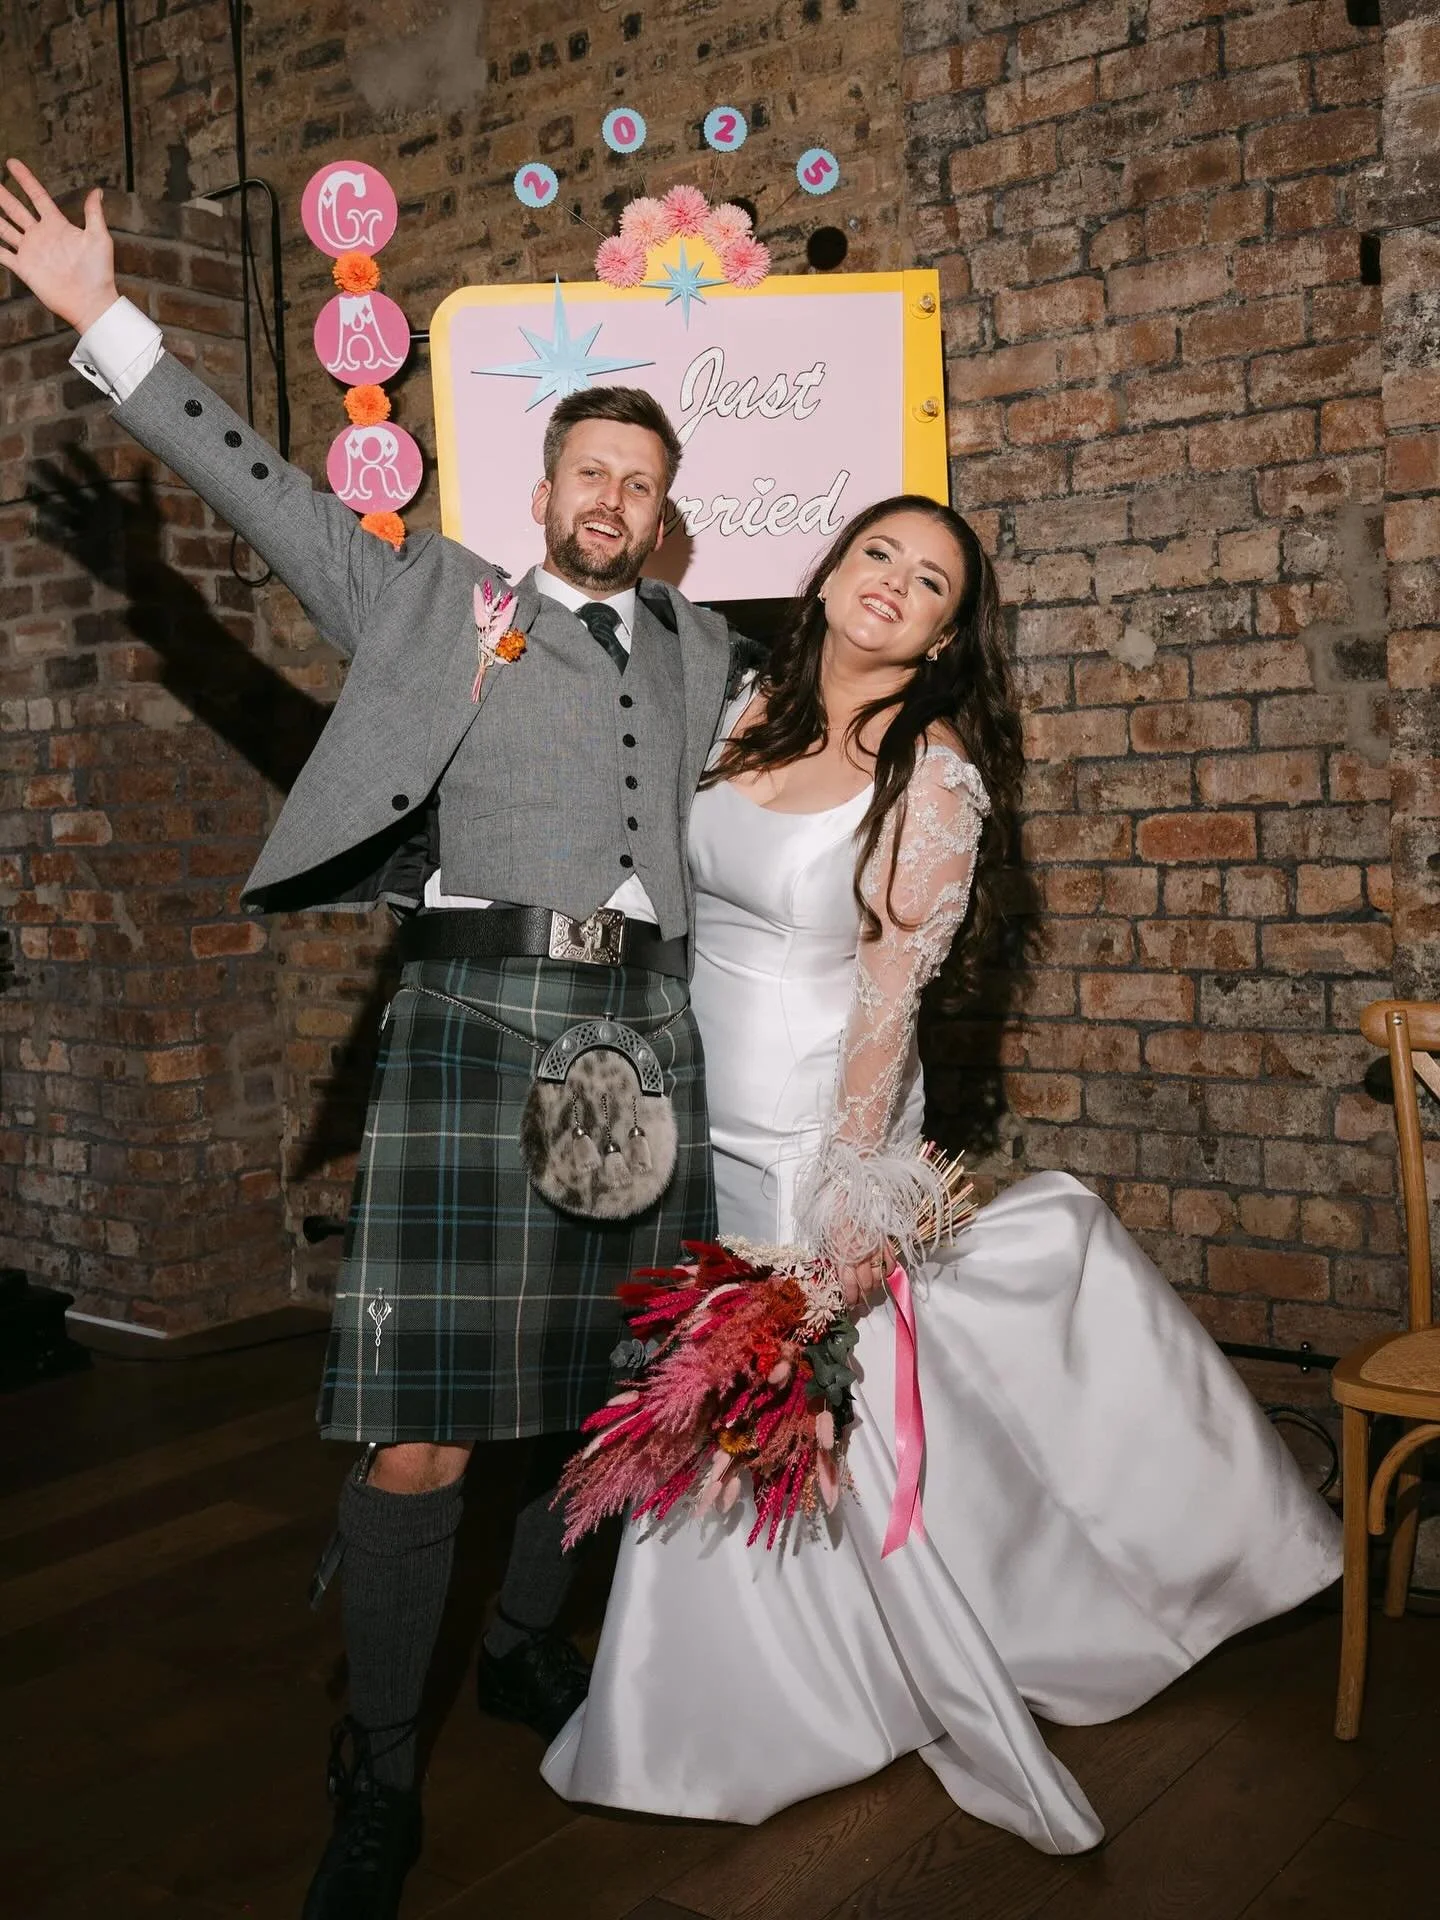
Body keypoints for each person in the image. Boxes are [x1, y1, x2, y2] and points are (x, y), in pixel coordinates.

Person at [0, 160, 733, 1918]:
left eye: (641, 483)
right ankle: (379, 1773)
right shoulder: (441, 603)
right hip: (480, 1021)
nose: (612, 502)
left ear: (664, 514)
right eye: (590, 474)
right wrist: (108, 323)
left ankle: (525, 1642)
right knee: (424, 1433)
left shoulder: (713, 652)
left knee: (610, 1397)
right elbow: (268, 499)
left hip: (651, 1030)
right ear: (543, 488)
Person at [542, 495, 1344, 1853]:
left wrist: (854, 1181)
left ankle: (745, 1706)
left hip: (813, 1115)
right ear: (832, 571)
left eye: (927, 583)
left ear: (946, 632)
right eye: (878, 557)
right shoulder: (743, 716)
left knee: (794, 1388)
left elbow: (889, 993)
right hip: (696, 1105)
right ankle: (769, 1685)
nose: (892, 587)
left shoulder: (933, 771)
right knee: (716, 1375)